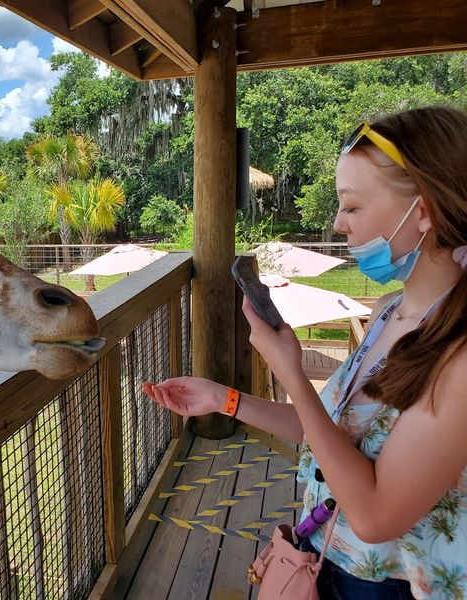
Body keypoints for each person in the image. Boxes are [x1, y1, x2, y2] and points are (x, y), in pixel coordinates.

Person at [144, 106, 467, 600]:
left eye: (352, 206)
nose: (339, 223)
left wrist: (289, 370)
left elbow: (377, 515)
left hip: (390, 586)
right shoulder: (388, 311)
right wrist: (224, 400)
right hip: (330, 561)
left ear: (424, 211)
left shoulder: (459, 356)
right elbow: (330, 432)